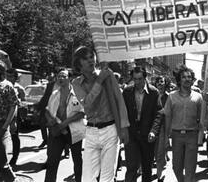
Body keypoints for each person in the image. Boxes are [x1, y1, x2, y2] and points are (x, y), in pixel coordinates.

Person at [71, 46, 129, 182]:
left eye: (92, 56)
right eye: (86, 58)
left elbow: (119, 100)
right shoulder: (76, 83)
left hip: (110, 130)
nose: (91, 60)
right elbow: (87, 104)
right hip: (91, 131)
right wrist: (99, 81)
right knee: (88, 178)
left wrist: (124, 126)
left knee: (107, 178)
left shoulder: (108, 75)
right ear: (79, 63)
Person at [122, 67, 162, 182]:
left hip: (147, 136)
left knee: (147, 168)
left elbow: (158, 114)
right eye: (135, 79)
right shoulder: (127, 91)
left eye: (140, 79)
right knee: (131, 167)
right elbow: (123, 112)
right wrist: (123, 131)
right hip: (132, 135)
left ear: (145, 78)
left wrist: (154, 131)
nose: (137, 82)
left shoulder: (154, 92)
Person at [45, 68, 85, 182]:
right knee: (52, 161)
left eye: (63, 76)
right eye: (59, 76)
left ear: (70, 78)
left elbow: (82, 112)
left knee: (77, 159)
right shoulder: (54, 94)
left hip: (74, 131)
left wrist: (66, 123)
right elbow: (47, 110)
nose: (60, 78)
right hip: (57, 131)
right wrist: (51, 121)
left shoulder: (78, 93)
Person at [164, 64, 203, 182]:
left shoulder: (198, 97)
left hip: (192, 135)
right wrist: (166, 138)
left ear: (192, 80)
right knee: (176, 167)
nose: (187, 79)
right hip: (176, 136)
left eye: (189, 77)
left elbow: (202, 118)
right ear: (179, 80)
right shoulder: (171, 97)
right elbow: (167, 117)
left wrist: (201, 136)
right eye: (184, 77)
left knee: (190, 169)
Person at [6, 68, 26, 167]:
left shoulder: (19, 88)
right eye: (7, 76)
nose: (8, 78)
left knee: (14, 136)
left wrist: (20, 106)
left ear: (15, 78)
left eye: (10, 76)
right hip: (3, 115)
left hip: (15, 115)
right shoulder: (2, 86)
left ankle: (15, 157)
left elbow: (23, 102)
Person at [153, 76, 170, 182]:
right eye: (158, 82)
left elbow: (169, 113)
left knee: (160, 152)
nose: (160, 83)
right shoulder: (152, 95)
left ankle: (159, 176)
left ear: (165, 83)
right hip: (152, 127)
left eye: (162, 81)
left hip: (163, 127)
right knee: (154, 152)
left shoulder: (169, 97)